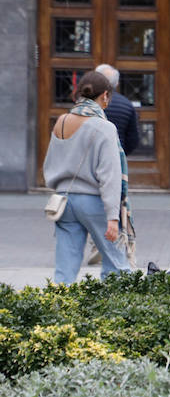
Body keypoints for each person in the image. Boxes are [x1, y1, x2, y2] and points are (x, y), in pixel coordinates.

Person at [42, 70, 131, 283]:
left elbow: (48, 164)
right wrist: (113, 217)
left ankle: (60, 311)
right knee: (116, 265)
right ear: (106, 96)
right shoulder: (105, 127)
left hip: (63, 201)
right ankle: (113, 311)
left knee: (65, 270)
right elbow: (110, 176)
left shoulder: (61, 121)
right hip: (95, 203)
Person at [87, 64, 139, 267]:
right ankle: (113, 244)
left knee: (93, 201)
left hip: (90, 162)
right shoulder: (127, 105)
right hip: (116, 163)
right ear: (116, 84)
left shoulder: (85, 107)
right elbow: (134, 138)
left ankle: (95, 245)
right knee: (114, 201)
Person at [94, 63, 140, 154]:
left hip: (92, 156)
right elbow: (133, 140)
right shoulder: (127, 104)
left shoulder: (88, 103)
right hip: (116, 155)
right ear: (117, 83)